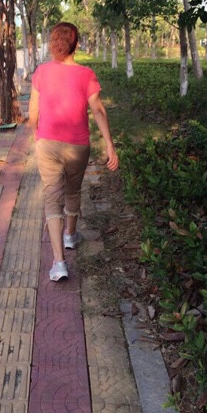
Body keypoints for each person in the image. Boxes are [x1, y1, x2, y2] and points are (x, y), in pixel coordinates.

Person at [28, 22, 119, 282]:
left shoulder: (41, 72)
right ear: (76, 44)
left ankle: (59, 263)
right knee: (73, 191)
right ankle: (70, 235)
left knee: (52, 198)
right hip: (78, 146)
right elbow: (98, 110)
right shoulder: (86, 74)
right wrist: (109, 144)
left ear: (53, 44)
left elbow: (33, 112)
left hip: (47, 143)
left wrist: (36, 136)